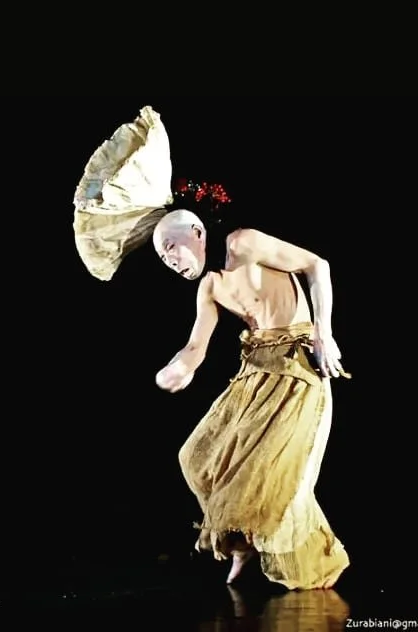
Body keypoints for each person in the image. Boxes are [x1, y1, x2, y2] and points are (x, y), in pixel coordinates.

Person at [73, 105, 350, 590]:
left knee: (274, 472)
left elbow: (317, 265)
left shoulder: (244, 244)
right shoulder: (210, 288)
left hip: (299, 365)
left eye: (171, 249)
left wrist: (324, 333)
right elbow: (196, 346)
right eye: (162, 258)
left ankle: (307, 560)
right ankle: (239, 546)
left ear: (197, 233)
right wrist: (179, 367)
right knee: (197, 458)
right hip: (255, 372)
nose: (170, 262)